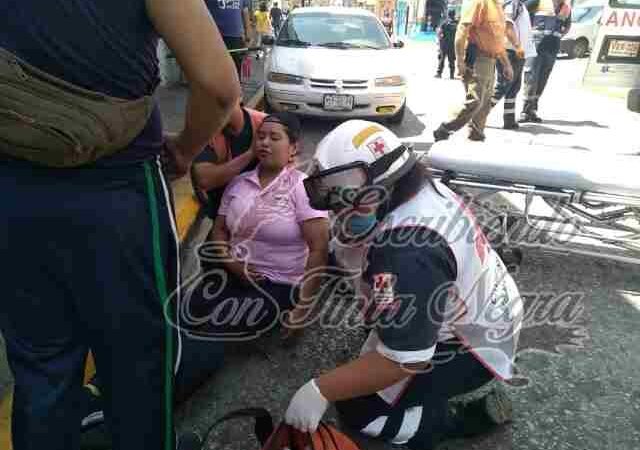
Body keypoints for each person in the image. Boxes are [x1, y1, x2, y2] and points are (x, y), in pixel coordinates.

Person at [0, 1, 240, 449]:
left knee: (41, 369)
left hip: (14, 193)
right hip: (116, 194)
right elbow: (220, 87)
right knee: (138, 364)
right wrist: (187, 149)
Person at [283, 121, 523, 449]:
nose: (338, 211)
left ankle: (457, 419)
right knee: (368, 366)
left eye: (343, 198)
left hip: (472, 343)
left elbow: (405, 359)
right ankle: (423, 393)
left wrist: (319, 389)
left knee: (358, 410)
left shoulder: (405, 251)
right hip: (486, 306)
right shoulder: (417, 185)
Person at [433, 0, 514, 142]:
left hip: (491, 61)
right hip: (477, 59)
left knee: (484, 105)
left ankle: (476, 136)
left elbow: (498, 42)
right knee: (475, 102)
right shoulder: (479, 3)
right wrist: (459, 60)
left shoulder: (498, 7)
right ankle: (445, 128)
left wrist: (506, 64)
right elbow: (462, 30)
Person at [192, 102, 267, 220]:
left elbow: (285, 175)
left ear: (239, 97)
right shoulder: (207, 132)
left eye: (222, 100)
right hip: (222, 212)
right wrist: (250, 154)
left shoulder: (267, 124)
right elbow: (204, 179)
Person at [519, 0, 571, 123]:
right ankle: (525, 111)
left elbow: (568, 25)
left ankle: (532, 110)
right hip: (536, 44)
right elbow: (521, 15)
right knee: (531, 76)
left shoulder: (566, 6)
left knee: (543, 78)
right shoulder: (537, 1)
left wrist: (559, 34)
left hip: (552, 46)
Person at [491, 0, 535, 129]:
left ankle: (509, 120)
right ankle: (478, 115)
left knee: (513, 88)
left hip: (518, 53)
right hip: (510, 51)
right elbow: (507, 26)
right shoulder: (512, 4)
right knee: (503, 87)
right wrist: (517, 45)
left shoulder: (521, 6)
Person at [206, 0, 254, 77]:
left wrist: (248, 33)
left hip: (236, 36)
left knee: (235, 70)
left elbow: (245, 11)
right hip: (214, 35)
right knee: (214, 70)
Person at [435, 10, 458, 79]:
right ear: (454, 14)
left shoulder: (444, 23)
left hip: (444, 44)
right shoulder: (457, 23)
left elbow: (439, 33)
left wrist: (439, 43)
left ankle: (439, 73)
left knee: (442, 59)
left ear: (448, 15)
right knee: (451, 60)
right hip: (452, 45)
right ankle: (452, 75)